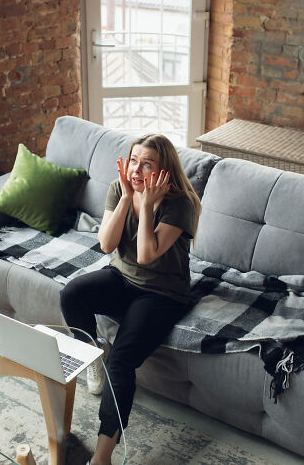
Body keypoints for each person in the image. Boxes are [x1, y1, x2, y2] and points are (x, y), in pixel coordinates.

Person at [60, 134, 201, 465]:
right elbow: (107, 246)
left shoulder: (180, 205)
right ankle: (91, 357)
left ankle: (103, 455)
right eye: (134, 160)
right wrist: (127, 197)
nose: (137, 169)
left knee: (121, 361)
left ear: (164, 172)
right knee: (72, 293)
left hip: (162, 294)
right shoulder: (118, 188)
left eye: (147, 164)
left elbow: (145, 255)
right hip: (121, 279)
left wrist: (149, 205)